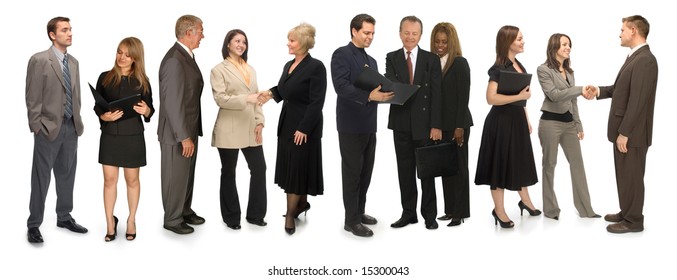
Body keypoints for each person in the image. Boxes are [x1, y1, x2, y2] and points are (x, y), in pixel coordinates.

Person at [587, 15, 657, 234]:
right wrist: (598, 90)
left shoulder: (645, 60)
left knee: (632, 176)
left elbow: (637, 101)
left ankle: (634, 220)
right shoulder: (634, 58)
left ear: (634, 30)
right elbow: (621, 90)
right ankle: (627, 212)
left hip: (633, 134)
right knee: (625, 175)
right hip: (626, 131)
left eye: (623, 30)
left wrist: (625, 132)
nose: (620, 34)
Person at [260, 23, 327, 235]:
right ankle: (301, 204)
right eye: (289, 40)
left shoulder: (316, 67)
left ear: (304, 43)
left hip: (305, 125)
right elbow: (284, 89)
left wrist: (304, 129)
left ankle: (290, 214)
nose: (288, 44)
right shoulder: (289, 64)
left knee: (298, 168)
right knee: (294, 166)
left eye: (292, 40)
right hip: (287, 123)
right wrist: (269, 94)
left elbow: (317, 101)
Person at [25, 16, 87, 243]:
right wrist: (37, 127)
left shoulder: (74, 62)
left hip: (71, 127)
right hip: (47, 129)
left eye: (70, 29)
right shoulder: (39, 60)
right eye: (64, 30)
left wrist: (77, 121)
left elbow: (76, 95)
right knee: (41, 178)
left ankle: (64, 216)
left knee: (67, 174)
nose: (70, 33)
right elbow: (32, 98)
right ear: (53, 34)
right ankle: (33, 224)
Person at [330, 14, 392, 238]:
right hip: (350, 124)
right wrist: (369, 96)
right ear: (354, 31)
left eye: (373, 33)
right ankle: (351, 220)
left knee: (366, 171)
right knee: (352, 172)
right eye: (366, 32)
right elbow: (341, 87)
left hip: (369, 124)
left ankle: (359, 211)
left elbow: (375, 91)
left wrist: (390, 93)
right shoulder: (341, 54)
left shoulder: (372, 61)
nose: (370, 37)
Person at [474, 25, 541, 228]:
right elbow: (490, 98)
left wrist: (526, 117)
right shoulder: (499, 67)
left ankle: (526, 201)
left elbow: (521, 99)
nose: (523, 42)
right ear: (508, 42)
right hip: (501, 123)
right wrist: (519, 97)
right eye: (519, 39)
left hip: (517, 120)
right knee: (499, 165)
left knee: (521, 161)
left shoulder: (519, 64)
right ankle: (499, 210)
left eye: (522, 38)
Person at [385, 16, 442, 230]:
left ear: (420, 35)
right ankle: (409, 213)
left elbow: (437, 94)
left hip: (425, 124)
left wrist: (436, 125)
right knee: (404, 171)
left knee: (426, 171)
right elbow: (389, 85)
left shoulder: (431, 59)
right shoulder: (391, 57)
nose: (410, 37)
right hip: (400, 123)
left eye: (414, 33)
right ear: (400, 33)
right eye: (406, 32)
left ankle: (429, 215)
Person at [95, 37, 154, 241]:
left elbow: (150, 109)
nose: (122, 57)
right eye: (120, 52)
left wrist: (146, 110)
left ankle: (131, 220)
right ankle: (110, 222)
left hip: (132, 136)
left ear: (136, 58)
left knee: (132, 180)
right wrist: (104, 116)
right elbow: (98, 107)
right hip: (110, 135)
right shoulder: (104, 77)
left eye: (128, 55)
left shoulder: (143, 81)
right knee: (109, 180)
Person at [536, 33, 599, 220]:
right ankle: (551, 210)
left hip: (569, 124)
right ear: (554, 46)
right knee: (549, 165)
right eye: (564, 44)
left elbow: (573, 101)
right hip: (550, 123)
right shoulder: (543, 69)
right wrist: (580, 89)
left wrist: (578, 125)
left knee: (577, 164)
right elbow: (554, 95)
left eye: (569, 44)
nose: (568, 47)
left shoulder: (570, 72)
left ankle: (586, 210)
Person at [210, 29, 267, 230]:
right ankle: (231, 217)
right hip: (229, 127)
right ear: (228, 44)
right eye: (237, 41)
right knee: (229, 171)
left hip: (251, 126)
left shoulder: (251, 69)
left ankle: (256, 214)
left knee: (259, 169)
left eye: (244, 41)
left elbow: (258, 98)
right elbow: (220, 99)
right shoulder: (218, 70)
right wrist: (246, 99)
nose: (241, 44)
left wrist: (260, 122)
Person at [158, 15, 205, 235]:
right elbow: (173, 102)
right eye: (200, 31)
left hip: (189, 128)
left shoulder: (186, 57)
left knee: (186, 174)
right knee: (174, 176)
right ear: (188, 33)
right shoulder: (174, 60)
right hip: (177, 132)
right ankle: (172, 218)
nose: (203, 36)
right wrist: (184, 136)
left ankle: (184, 210)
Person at [430, 22, 473, 227]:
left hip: (458, 124)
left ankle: (460, 212)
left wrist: (459, 127)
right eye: (437, 41)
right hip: (441, 126)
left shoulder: (459, 63)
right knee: (446, 168)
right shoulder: (433, 63)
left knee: (459, 168)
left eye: (444, 42)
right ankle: (449, 210)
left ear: (452, 42)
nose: (440, 45)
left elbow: (463, 98)